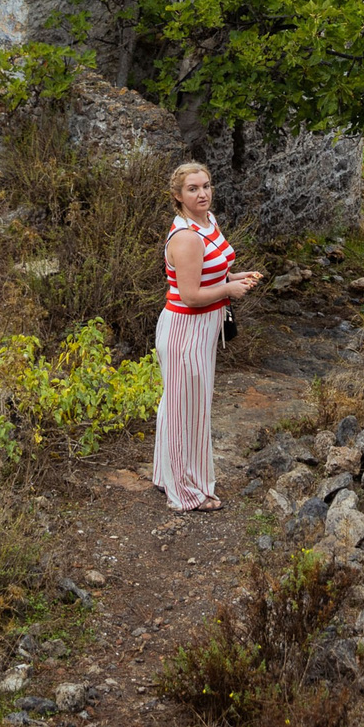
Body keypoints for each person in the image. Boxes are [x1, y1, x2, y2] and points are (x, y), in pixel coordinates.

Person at [153, 160, 260, 512]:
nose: (203, 193)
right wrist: (229, 289)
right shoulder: (185, 238)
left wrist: (237, 277)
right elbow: (190, 295)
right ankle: (185, 494)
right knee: (187, 412)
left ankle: (167, 475)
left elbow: (214, 271)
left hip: (204, 326)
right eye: (193, 189)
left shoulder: (208, 222)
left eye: (206, 185)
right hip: (186, 329)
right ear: (178, 196)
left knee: (182, 405)